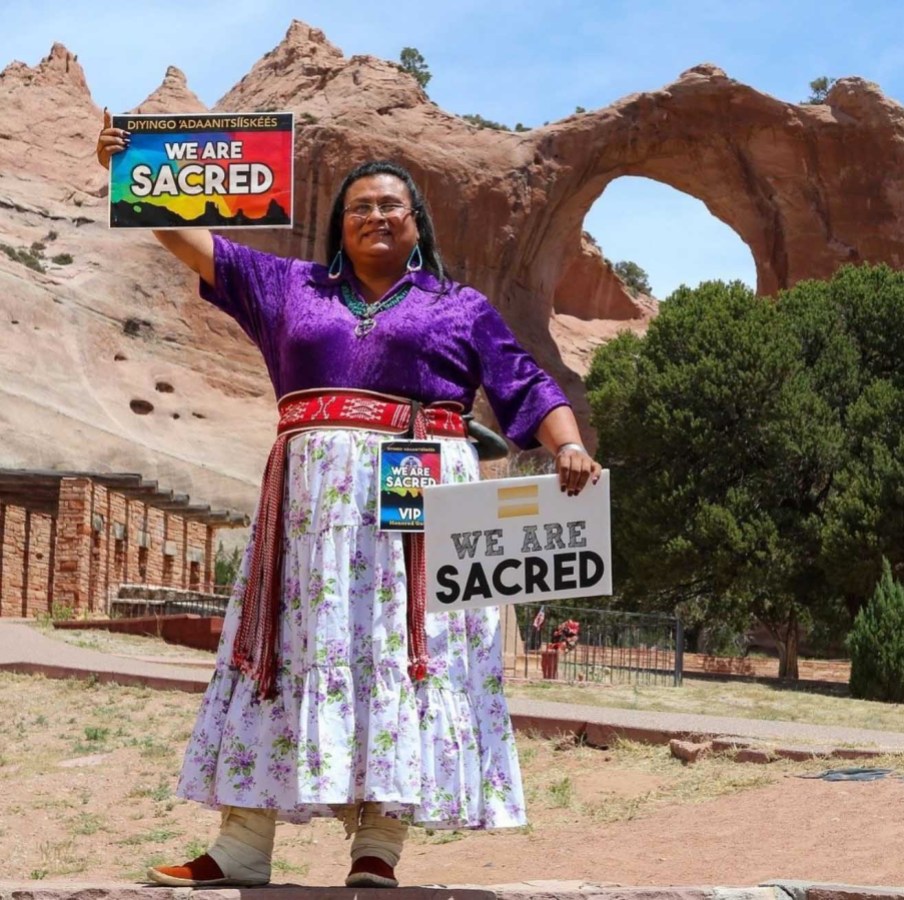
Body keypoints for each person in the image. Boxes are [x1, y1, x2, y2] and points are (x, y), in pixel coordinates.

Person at [96, 111, 602, 889]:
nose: (374, 216)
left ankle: (379, 844)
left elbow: (526, 384)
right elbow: (193, 242)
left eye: (390, 205)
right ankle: (241, 846)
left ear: (416, 223)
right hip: (310, 515)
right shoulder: (286, 287)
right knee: (284, 645)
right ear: (339, 226)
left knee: (401, 652)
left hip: (417, 491)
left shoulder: (460, 307)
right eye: (359, 206)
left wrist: (567, 444)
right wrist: (129, 172)